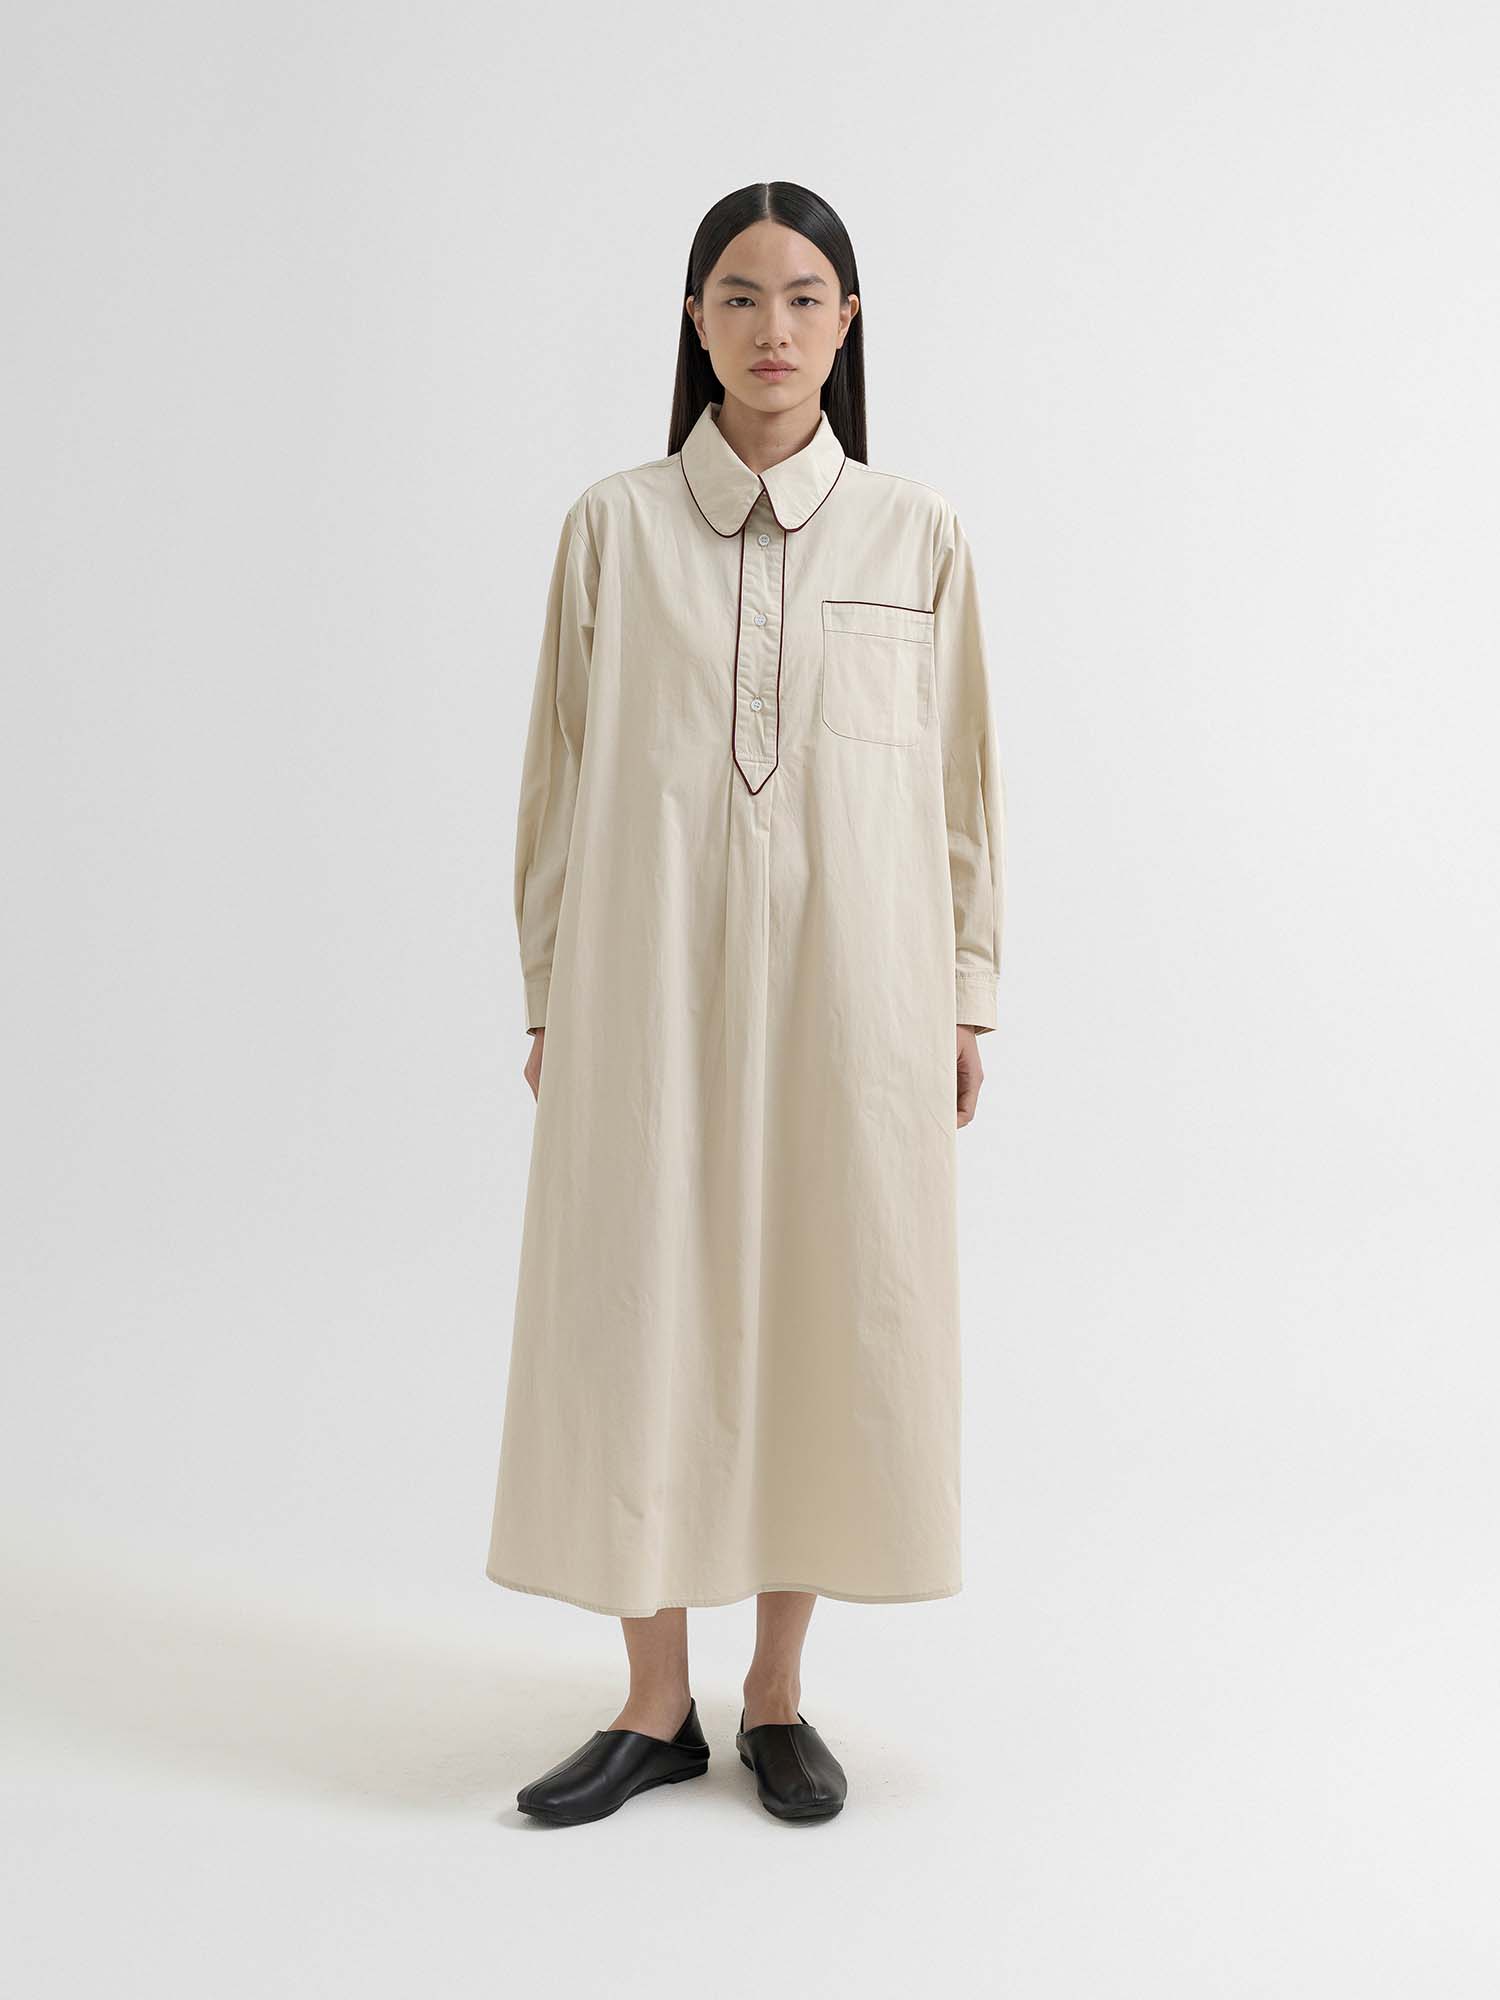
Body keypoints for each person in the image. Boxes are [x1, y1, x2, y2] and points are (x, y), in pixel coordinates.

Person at [486, 180, 1007, 1826]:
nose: (771, 329)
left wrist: (965, 995)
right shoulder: (615, 527)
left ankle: (776, 1692)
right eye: (737, 295)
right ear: (694, 321)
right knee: (639, 1302)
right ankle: (655, 1704)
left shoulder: (917, 535)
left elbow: (962, 789)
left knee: (825, 1299)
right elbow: (558, 778)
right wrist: (552, 992)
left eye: (802, 297)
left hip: (858, 998)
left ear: (847, 322)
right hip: (645, 984)